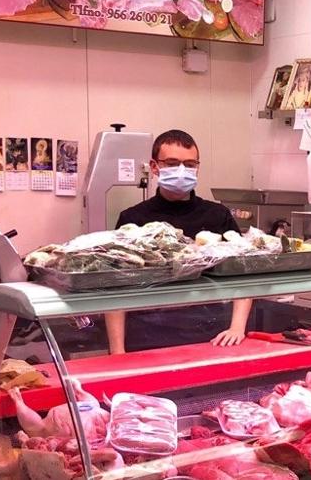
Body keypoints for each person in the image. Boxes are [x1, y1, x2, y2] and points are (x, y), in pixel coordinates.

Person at [104, 130, 252, 353]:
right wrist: (117, 351)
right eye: (172, 163)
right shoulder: (133, 219)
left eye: (190, 164)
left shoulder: (217, 215)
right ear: (155, 167)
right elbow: (116, 285)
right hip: (146, 334)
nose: (183, 170)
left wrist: (237, 327)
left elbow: (244, 272)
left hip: (209, 332)